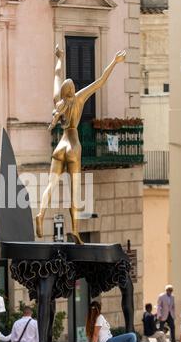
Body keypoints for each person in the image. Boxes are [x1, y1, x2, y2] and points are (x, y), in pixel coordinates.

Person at [36, 45, 126, 244]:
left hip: (60, 145)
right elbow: (101, 81)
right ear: (73, 89)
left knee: (50, 184)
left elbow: (57, 74)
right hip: (73, 144)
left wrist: (59, 57)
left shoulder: (57, 101)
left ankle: (41, 213)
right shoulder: (79, 98)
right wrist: (114, 62)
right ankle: (75, 231)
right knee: (75, 191)